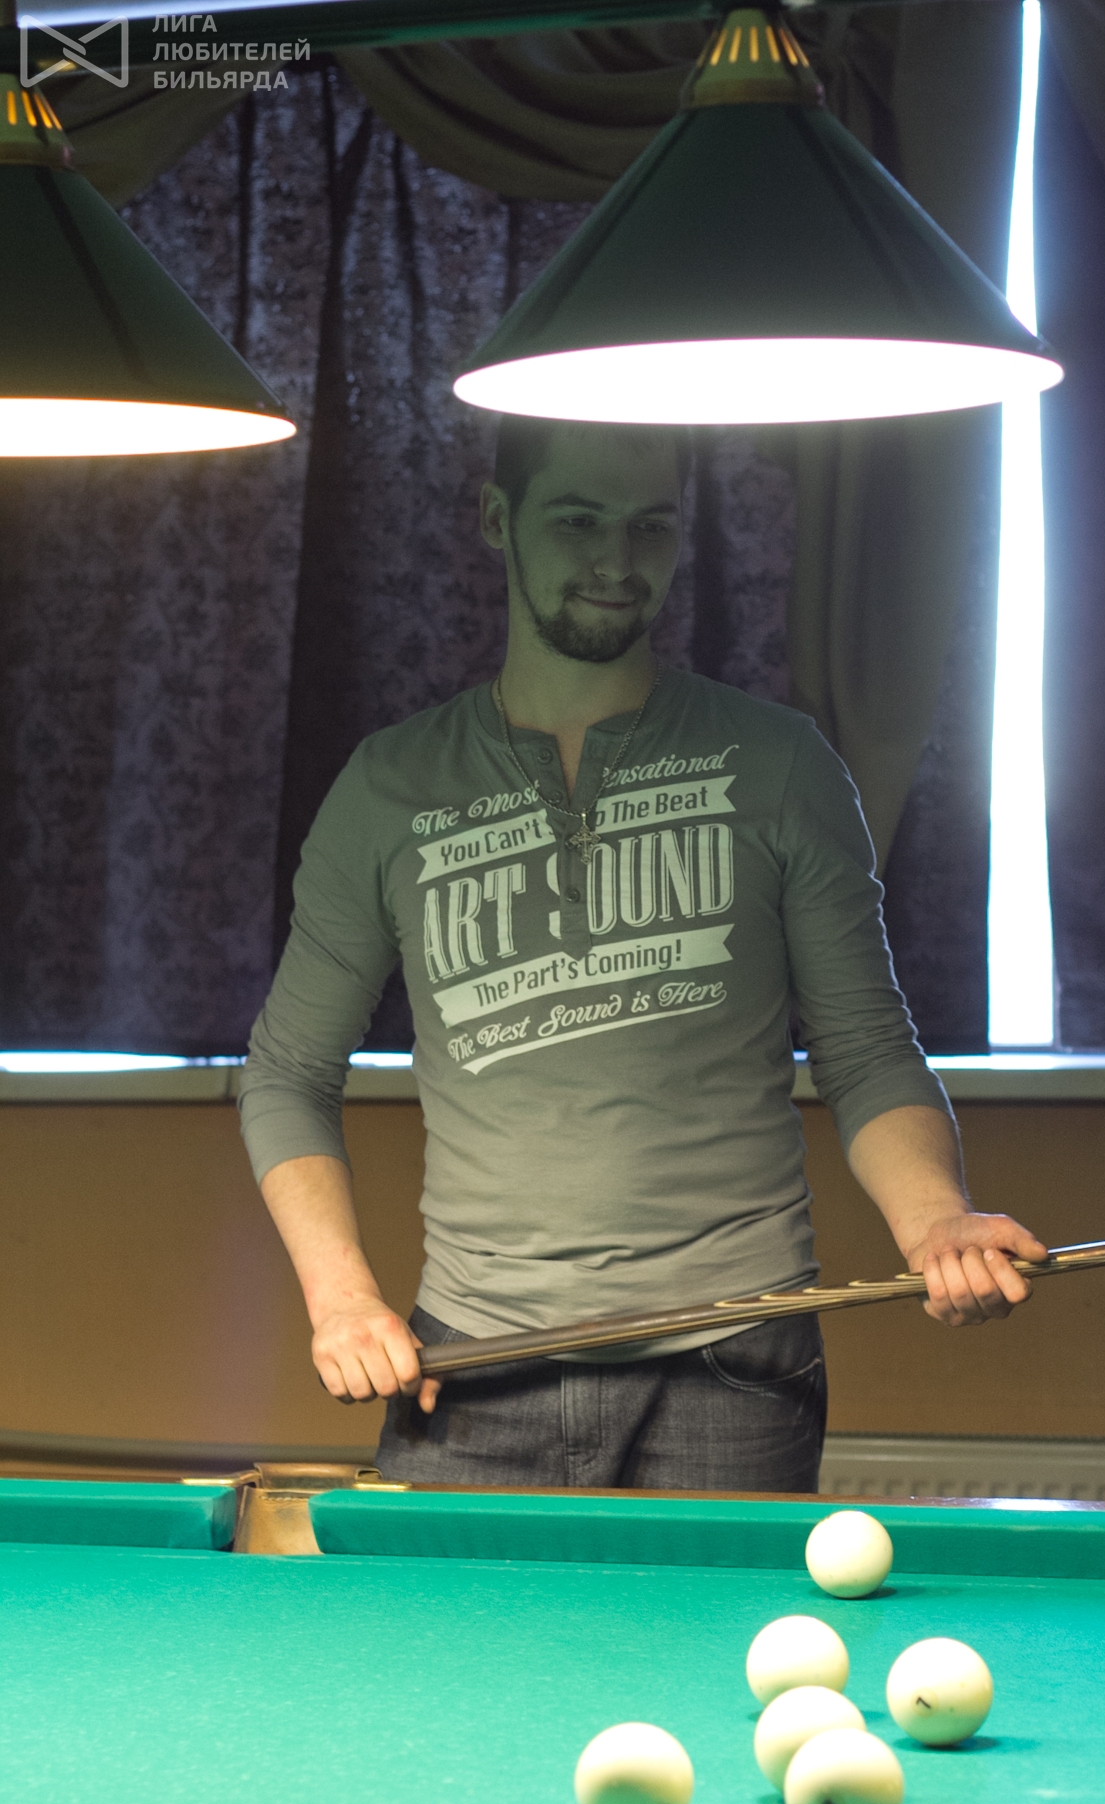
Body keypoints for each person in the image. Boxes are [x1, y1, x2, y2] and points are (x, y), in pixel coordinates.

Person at [238, 417, 1046, 1492]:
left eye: (650, 526)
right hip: (471, 1368)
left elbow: (862, 1047)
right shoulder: (389, 787)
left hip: (734, 1360)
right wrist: (340, 1296)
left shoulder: (780, 763)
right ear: (498, 519)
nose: (617, 561)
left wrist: (937, 1219)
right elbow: (287, 1073)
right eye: (578, 521)